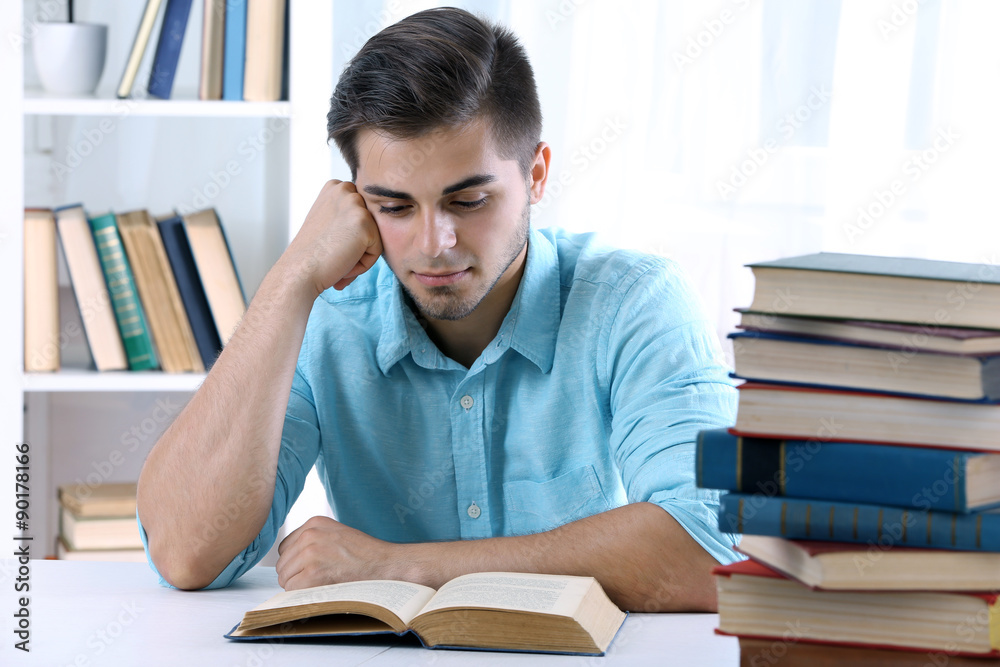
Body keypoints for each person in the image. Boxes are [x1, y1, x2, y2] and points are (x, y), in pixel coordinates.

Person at [136, 7, 739, 612]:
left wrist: (400, 567)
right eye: (394, 207)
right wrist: (289, 280)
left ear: (536, 175)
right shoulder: (328, 320)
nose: (433, 243)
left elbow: (709, 546)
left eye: (469, 200)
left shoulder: (635, 302)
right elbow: (186, 555)